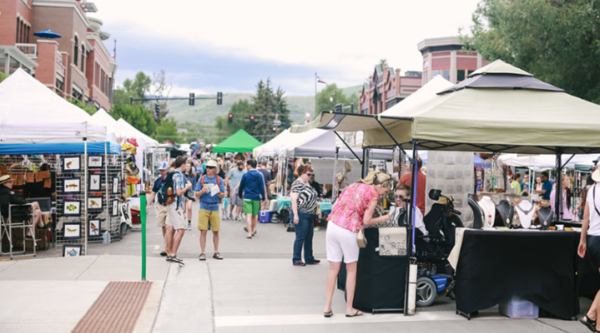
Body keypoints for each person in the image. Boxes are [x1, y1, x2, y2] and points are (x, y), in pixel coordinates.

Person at [324, 171, 392, 318]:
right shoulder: (373, 194)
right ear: (380, 186)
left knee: (333, 269)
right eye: (384, 191)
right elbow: (367, 221)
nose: (383, 194)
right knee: (351, 269)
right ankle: (349, 308)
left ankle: (327, 306)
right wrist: (383, 218)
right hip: (348, 229)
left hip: (332, 225)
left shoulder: (354, 185)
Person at [578, 166, 600, 332]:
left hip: (592, 239)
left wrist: (583, 240)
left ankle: (593, 318)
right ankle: (592, 317)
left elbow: (585, 217)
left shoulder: (592, 190)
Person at [195, 160, 226, 261]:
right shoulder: (202, 179)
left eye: (210, 167)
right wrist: (201, 191)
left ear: (215, 169)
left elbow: (223, 194)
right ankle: (202, 253)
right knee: (203, 231)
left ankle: (216, 252)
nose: (207, 169)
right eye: (207, 167)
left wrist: (217, 192)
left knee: (215, 231)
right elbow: (196, 194)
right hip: (204, 206)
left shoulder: (219, 179)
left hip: (215, 207)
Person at [290, 164, 320, 266]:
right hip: (301, 212)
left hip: (310, 213)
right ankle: (296, 259)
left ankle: (309, 258)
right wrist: (295, 215)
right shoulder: (297, 184)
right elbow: (294, 200)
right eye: (308, 174)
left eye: (311, 174)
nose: (310, 176)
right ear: (302, 173)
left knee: (309, 237)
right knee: (300, 236)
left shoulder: (307, 183)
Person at [165, 156, 191, 265]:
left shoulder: (172, 173)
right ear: (183, 164)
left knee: (172, 229)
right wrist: (187, 187)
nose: (187, 167)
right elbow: (179, 192)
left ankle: (170, 253)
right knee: (181, 230)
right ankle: (173, 254)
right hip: (176, 205)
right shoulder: (179, 175)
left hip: (171, 204)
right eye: (186, 164)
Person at [146, 161, 170, 256]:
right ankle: (167, 244)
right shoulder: (158, 180)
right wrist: (148, 205)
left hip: (169, 206)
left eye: (163, 170)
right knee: (163, 227)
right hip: (160, 206)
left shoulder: (171, 180)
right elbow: (153, 193)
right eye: (160, 170)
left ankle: (166, 247)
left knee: (168, 226)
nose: (161, 172)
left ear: (167, 169)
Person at [238, 159, 266, 239]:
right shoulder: (259, 175)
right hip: (256, 197)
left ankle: (249, 232)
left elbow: (241, 186)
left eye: (247, 165)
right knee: (255, 215)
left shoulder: (245, 175)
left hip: (247, 197)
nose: (246, 166)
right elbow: (262, 187)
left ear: (250, 165)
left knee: (248, 215)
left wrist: (240, 195)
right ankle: (253, 230)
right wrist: (263, 196)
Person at [184, 160, 197, 230]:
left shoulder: (192, 176)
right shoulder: (182, 175)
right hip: (183, 192)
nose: (188, 167)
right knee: (183, 209)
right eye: (187, 166)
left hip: (190, 193)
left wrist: (194, 194)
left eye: (189, 166)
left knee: (189, 208)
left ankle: (189, 222)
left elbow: (194, 186)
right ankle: (183, 222)